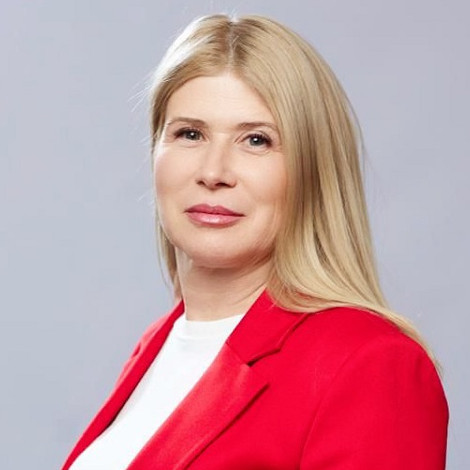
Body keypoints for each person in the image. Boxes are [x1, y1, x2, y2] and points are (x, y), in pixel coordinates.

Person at [62, 13, 448, 470]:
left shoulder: (369, 364)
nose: (213, 172)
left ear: (311, 171)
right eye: (190, 133)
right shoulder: (158, 343)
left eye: (257, 141)